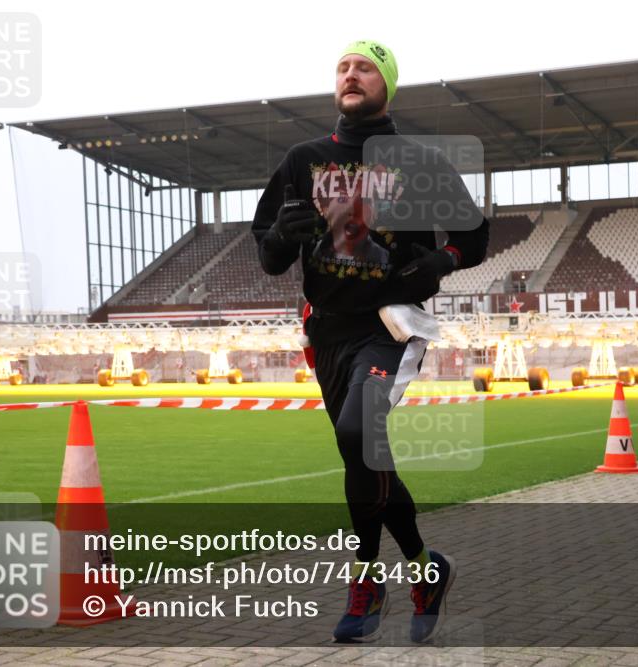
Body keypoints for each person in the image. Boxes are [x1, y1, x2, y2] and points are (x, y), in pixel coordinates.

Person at [252, 40, 489, 644]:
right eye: (343, 67)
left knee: (360, 434)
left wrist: (435, 261)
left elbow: (473, 238)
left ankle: (366, 580)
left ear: (387, 84)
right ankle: (425, 568)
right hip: (324, 330)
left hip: (389, 327)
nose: (350, 74)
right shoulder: (303, 158)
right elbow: (271, 256)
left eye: (364, 67)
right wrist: (280, 232)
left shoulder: (419, 160)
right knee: (363, 455)